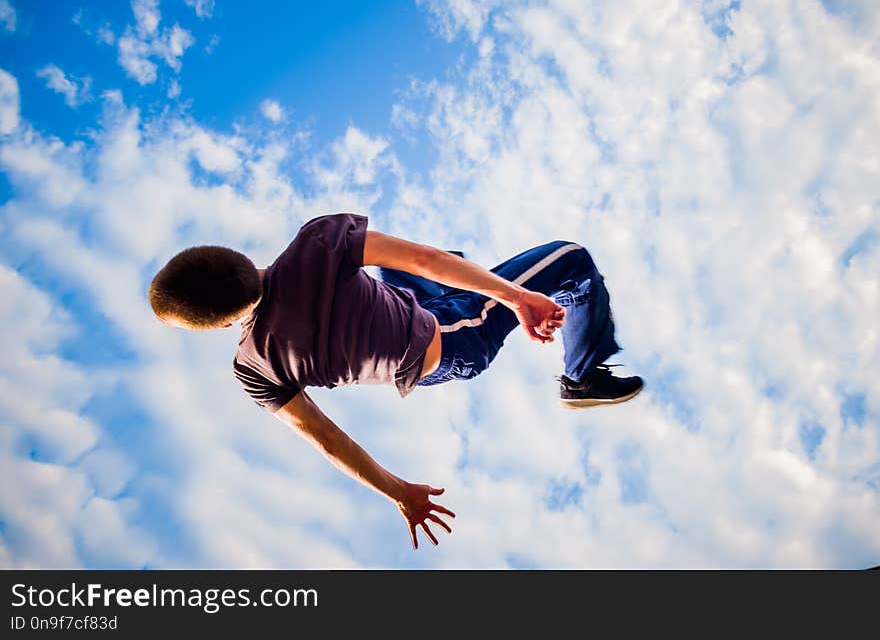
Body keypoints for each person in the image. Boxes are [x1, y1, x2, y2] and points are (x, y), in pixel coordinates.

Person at [148, 213, 643, 549]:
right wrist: (517, 297)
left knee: (414, 263)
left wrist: (398, 492)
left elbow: (326, 438)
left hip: (415, 343)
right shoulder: (318, 243)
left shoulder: (255, 368)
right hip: (455, 338)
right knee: (570, 258)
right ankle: (582, 379)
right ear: (230, 253)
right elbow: (425, 260)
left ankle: (451, 282)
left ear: (218, 324)